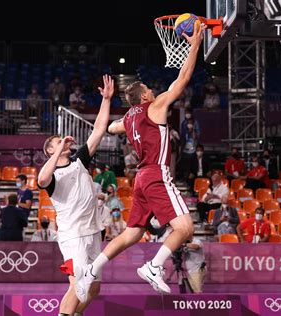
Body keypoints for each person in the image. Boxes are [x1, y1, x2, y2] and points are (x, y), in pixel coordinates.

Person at [74, 25, 204, 302]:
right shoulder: (154, 108)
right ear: (144, 97)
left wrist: (107, 102)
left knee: (132, 234)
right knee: (185, 228)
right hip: (156, 174)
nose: (153, 90)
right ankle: (154, 266)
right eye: (148, 89)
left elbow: (109, 128)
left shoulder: (129, 119)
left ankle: (91, 270)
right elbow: (184, 77)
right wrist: (195, 45)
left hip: (140, 178)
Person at [37, 75, 114, 315]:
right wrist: (59, 148)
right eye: (57, 142)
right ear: (51, 150)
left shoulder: (79, 160)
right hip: (73, 237)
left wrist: (106, 100)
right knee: (77, 284)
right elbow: (40, 180)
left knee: (93, 289)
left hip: (93, 232)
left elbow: (99, 129)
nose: (64, 142)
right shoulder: (51, 176)